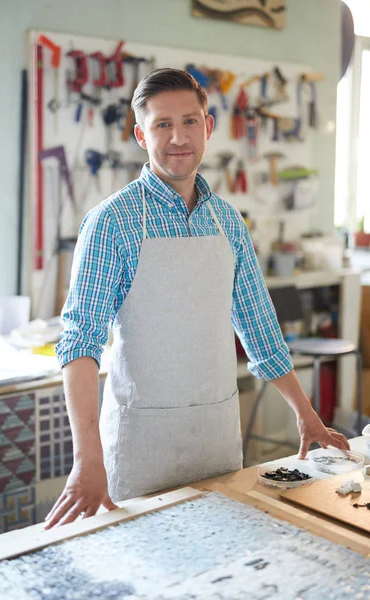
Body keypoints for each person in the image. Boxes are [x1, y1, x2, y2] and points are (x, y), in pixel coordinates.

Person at [45, 68, 349, 529]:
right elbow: (78, 343)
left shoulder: (228, 221)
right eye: (162, 124)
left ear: (208, 128)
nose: (178, 137)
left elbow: (259, 326)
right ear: (141, 136)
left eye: (189, 121)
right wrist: (87, 460)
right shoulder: (110, 223)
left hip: (216, 439)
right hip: (141, 444)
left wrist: (307, 416)